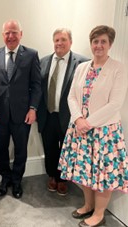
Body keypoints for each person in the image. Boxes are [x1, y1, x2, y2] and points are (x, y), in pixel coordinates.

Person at [58, 25, 128, 227]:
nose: (98, 45)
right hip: (80, 129)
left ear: (110, 44)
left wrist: (87, 123)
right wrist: (79, 119)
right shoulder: (82, 67)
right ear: (91, 44)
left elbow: (115, 103)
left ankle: (99, 214)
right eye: (95, 41)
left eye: (103, 41)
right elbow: (71, 96)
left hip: (105, 132)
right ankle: (88, 205)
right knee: (83, 173)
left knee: (102, 176)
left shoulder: (118, 68)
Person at [0, 19, 41, 199]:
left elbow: (36, 85)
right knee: (1, 148)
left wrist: (33, 108)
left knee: (21, 149)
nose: (11, 36)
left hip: (23, 114)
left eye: (14, 32)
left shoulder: (31, 55)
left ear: (21, 34)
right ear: (3, 35)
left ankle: (17, 180)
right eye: (7, 33)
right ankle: (5, 178)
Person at [37, 28, 89, 196]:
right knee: (49, 147)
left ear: (70, 42)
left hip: (68, 116)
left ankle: (63, 179)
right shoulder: (43, 61)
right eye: (56, 40)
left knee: (66, 148)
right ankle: (52, 175)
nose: (59, 43)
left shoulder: (82, 62)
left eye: (63, 40)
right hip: (47, 114)